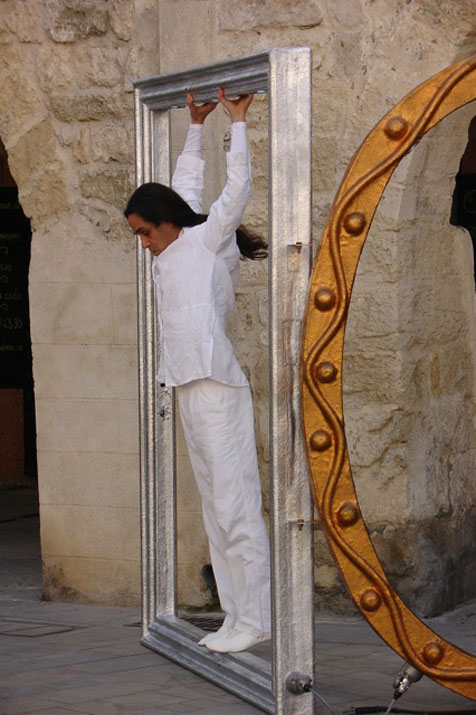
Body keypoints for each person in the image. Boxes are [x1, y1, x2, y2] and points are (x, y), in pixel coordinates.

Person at [125, 89, 271, 653]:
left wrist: (238, 123)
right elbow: (184, 184)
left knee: (236, 505)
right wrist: (194, 126)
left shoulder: (208, 242)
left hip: (218, 389)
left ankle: (255, 618)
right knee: (215, 509)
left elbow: (237, 190)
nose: (143, 243)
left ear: (165, 225)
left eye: (145, 232)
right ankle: (235, 617)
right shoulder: (172, 247)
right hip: (188, 389)